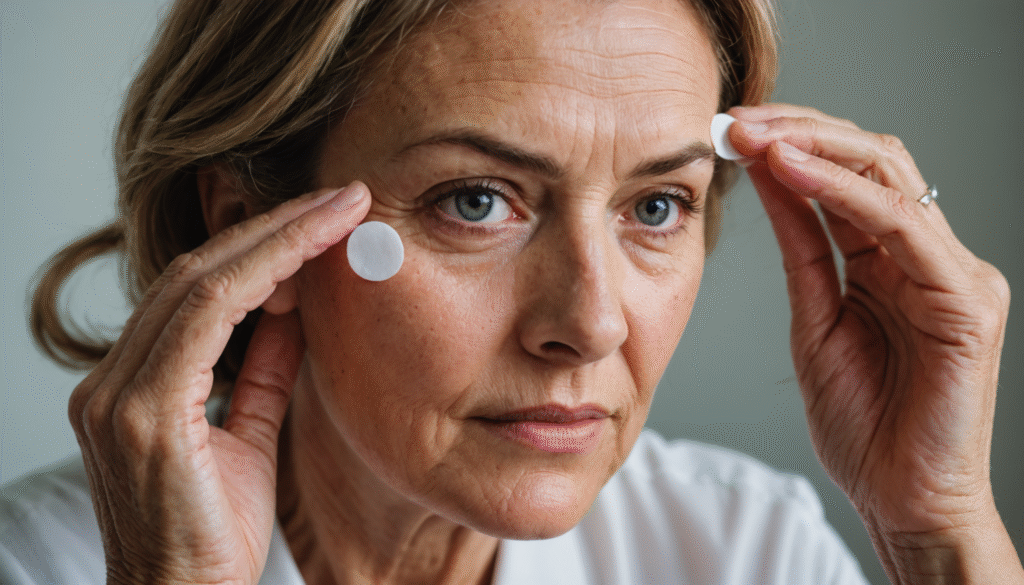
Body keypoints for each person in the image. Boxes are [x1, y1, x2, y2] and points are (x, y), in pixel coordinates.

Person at [2, 0, 1021, 583]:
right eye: (476, 201)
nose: (589, 323)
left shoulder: (743, 553)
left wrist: (938, 533)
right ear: (244, 231)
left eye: (656, 206)